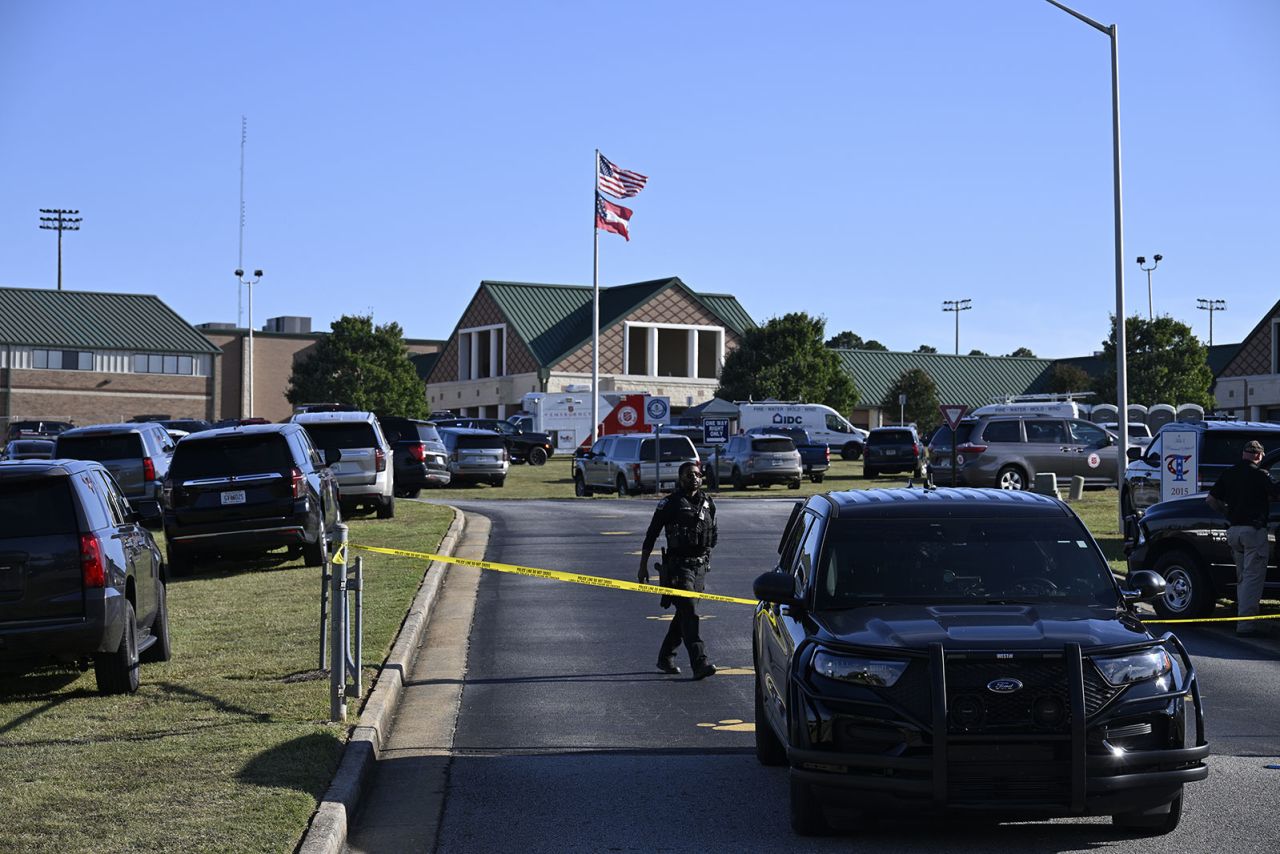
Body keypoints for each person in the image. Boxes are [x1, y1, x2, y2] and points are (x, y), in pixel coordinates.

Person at [638, 461, 718, 679]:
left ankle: (665, 657)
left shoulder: (708, 503)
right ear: (680, 478)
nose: (694, 478)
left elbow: (713, 536)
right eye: (689, 474)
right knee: (690, 613)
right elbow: (651, 534)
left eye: (697, 474)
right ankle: (700, 663)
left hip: (699, 567)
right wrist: (643, 566)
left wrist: (706, 560)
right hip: (678, 568)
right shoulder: (670, 503)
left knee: (684, 615)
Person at [1206, 439, 1280, 636]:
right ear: (1258, 456)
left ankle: (1241, 616)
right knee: (1252, 580)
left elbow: (1211, 499)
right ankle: (1246, 625)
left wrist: (1227, 513)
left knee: (1242, 578)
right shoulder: (1260, 475)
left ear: (1243, 454)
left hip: (1234, 532)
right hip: (1253, 533)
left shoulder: (1229, 474)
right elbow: (1276, 494)